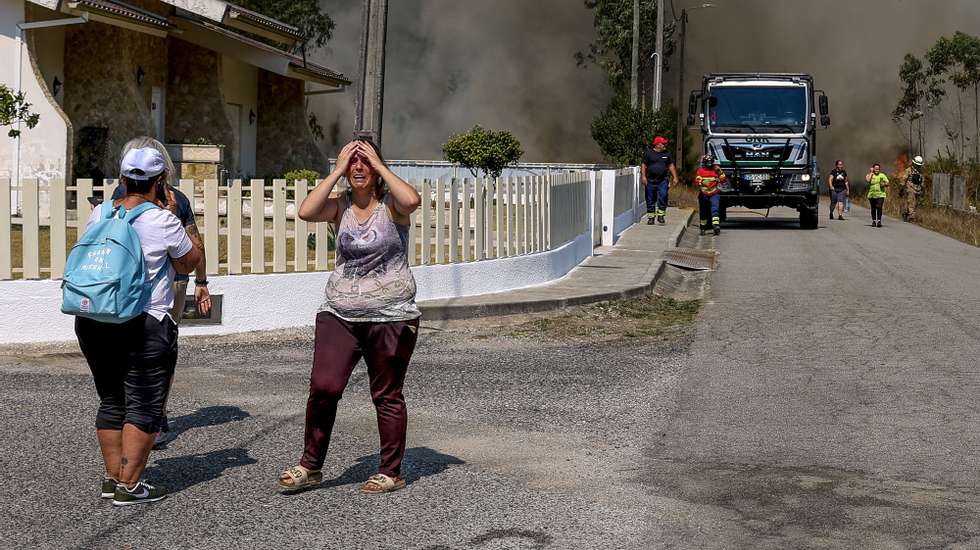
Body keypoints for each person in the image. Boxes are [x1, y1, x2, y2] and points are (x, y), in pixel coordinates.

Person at [278, 138, 422, 495]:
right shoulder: (339, 206)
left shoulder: (391, 207)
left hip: (391, 314)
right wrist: (337, 169)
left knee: (386, 394)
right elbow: (306, 211)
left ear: (376, 170)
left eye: (365, 162)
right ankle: (311, 466)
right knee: (324, 388)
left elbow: (412, 200)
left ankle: (391, 471)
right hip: (339, 311)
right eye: (352, 162)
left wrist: (379, 163)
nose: (358, 167)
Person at [76, 147, 203, 505]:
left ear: (123, 179)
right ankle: (130, 487)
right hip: (144, 320)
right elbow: (187, 263)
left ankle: (112, 478)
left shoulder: (100, 212)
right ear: (160, 181)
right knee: (144, 404)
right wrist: (176, 223)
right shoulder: (162, 220)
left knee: (112, 399)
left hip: (93, 317)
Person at [112, 137, 211, 449]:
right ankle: (156, 415)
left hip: (121, 287)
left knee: (127, 353)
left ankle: (134, 415)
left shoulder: (114, 199)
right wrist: (201, 281)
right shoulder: (175, 200)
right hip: (166, 285)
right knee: (162, 352)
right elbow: (195, 247)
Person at [641, 136, 679, 225]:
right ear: (658, 144)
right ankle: (651, 218)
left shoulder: (667, 154)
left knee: (663, 195)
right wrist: (643, 177)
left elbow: (671, 166)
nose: (665, 145)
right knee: (650, 198)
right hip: (650, 180)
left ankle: (661, 215)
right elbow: (644, 165)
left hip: (663, 180)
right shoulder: (648, 153)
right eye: (663, 143)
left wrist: (675, 177)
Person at [695, 154, 726, 236]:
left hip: (714, 194)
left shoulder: (716, 170)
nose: (709, 163)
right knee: (703, 212)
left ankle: (716, 226)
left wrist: (720, 171)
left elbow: (723, 180)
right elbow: (696, 181)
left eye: (710, 162)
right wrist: (702, 182)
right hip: (703, 194)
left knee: (715, 209)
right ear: (704, 163)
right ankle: (702, 227)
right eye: (707, 162)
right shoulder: (700, 171)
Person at [866, 163, 889, 228]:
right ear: (873, 169)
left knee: (879, 207)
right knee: (873, 208)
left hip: (880, 194)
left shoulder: (882, 175)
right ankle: (874, 221)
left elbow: (887, 182)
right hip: (872, 195)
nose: (877, 170)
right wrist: (871, 172)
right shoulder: (870, 175)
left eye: (878, 169)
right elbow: (867, 180)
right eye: (875, 169)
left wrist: (884, 184)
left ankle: (879, 221)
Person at [903, 155, 925, 223]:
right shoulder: (909, 170)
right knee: (911, 203)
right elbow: (904, 179)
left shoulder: (920, 172)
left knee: (914, 203)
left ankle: (906, 213)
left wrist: (922, 189)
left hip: (917, 190)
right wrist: (902, 187)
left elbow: (922, 181)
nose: (918, 166)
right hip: (910, 189)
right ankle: (911, 217)